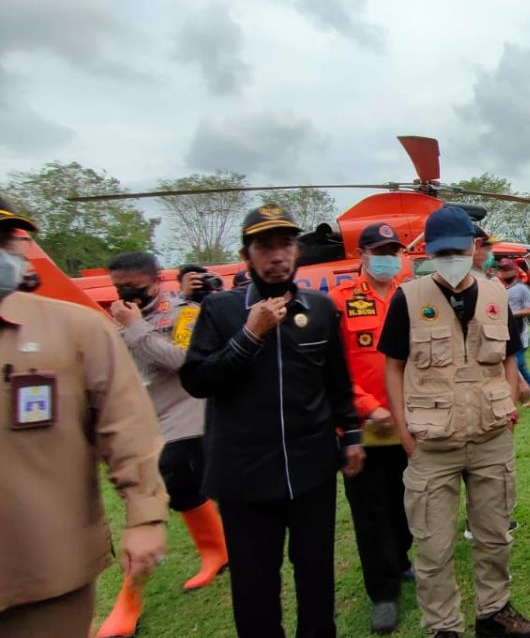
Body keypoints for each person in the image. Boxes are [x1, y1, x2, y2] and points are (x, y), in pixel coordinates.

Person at [180, 205, 365, 638]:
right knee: (255, 583)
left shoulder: (320, 309)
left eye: (286, 244)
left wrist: (351, 434)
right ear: (247, 255)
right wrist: (249, 335)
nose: (277, 255)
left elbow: (336, 381)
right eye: (265, 246)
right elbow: (197, 380)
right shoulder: (220, 311)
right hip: (245, 477)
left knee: (316, 573)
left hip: (311, 469)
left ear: (297, 251)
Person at [0, 197, 168, 638]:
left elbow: (131, 425)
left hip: (47, 571)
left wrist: (146, 517)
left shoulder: (78, 329)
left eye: (6, 241)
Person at [379, 205, 530, 638]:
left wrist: (508, 408)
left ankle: (494, 613)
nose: (449, 258)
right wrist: (404, 433)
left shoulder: (496, 294)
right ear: (429, 253)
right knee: (434, 548)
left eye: (456, 249)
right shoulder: (408, 298)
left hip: (491, 436)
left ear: (473, 247)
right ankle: (444, 627)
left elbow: (510, 357)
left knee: (494, 537)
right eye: (440, 252)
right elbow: (394, 367)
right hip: (432, 442)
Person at [96, 252, 229, 638]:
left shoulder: (184, 312)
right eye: (119, 285)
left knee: (154, 502)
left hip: (186, 421)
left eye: (134, 285)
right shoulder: (118, 320)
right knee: (184, 494)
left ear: (156, 280)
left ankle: (129, 601)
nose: (126, 292)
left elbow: (184, 360)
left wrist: (135, 328)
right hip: (145, 423)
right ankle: (216, 551)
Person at [329, 222, 414, 634]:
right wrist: (368, 406)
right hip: (364, 425)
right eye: (380, 249)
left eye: (394, 249)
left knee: (406, 499)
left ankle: (401, 559)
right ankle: (382, 592)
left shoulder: (411, 296)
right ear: (361, 255)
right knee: (370, 507)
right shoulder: (341, 302)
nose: (388, 256)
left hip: (410, 420)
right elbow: (332, 369)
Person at [497, 258, 530, 407]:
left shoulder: (522, 289)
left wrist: (511, 313)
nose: (506, 272)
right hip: (507, 335)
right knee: (518, 367)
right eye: (503, 270)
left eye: (508, 269)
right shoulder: (500, 288)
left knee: (517, 367)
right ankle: (529, 396)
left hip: (520, 335)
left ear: (515, 271)